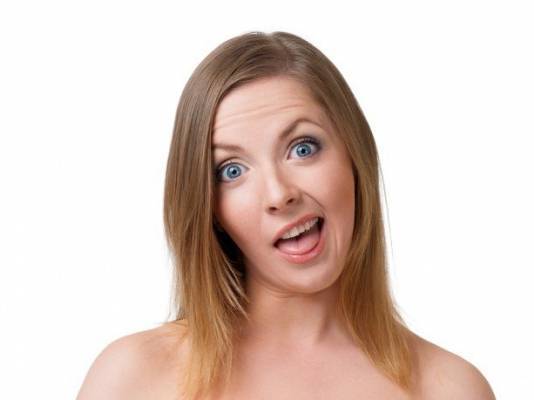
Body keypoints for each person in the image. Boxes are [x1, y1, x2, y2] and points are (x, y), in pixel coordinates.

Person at [76, 31, 496, 400]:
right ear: (209, 208)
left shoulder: (450, 388)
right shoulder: (132, 378)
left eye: (302, 148)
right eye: (232, 171)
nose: (279, 194)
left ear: (355, 156)